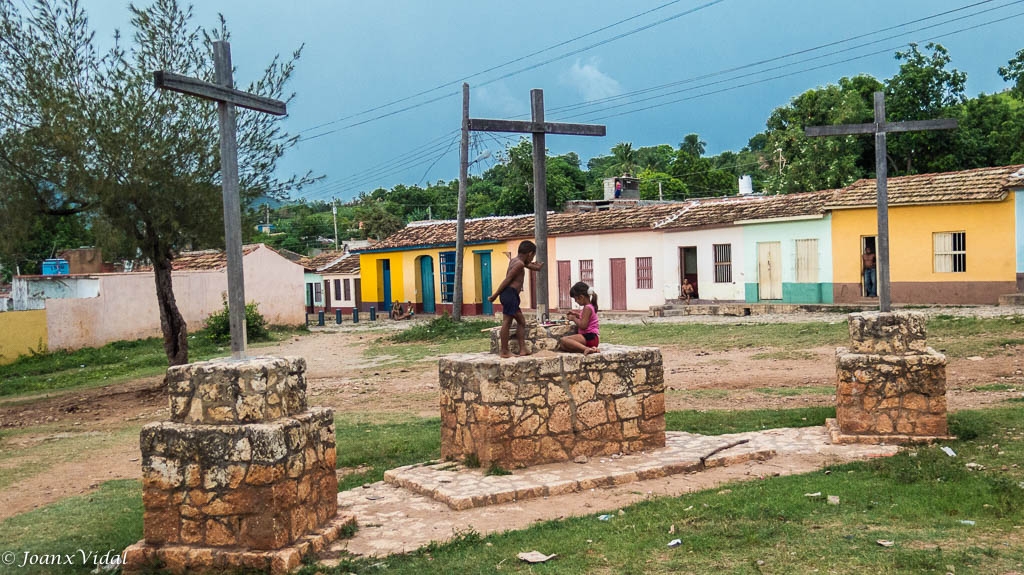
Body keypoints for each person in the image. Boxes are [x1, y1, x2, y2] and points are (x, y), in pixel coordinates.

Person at [488, 240, 544, 358]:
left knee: (521, 321)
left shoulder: (516, 261)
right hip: (509, 294)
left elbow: (528, 265)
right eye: (533, 255)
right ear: (529, 254)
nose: (532, 258)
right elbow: (507, 280)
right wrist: (495, 295)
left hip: (511, 295)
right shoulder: (519, 264)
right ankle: (504, 351)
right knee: (507, 322)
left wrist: (537, 267)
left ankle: (522, 349)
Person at [560, 282, 600, 355]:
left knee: (564, 340)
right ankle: (592, 349)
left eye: (576, 299)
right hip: (590, 338)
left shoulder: (587, 308)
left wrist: (574, 319)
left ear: (581, 297)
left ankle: (586, 349)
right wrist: (576, 315)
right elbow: (586, 318)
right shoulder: (588, 307)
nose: (576, 301)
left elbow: (583, 325)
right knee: (563, 346)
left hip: (589, 336)